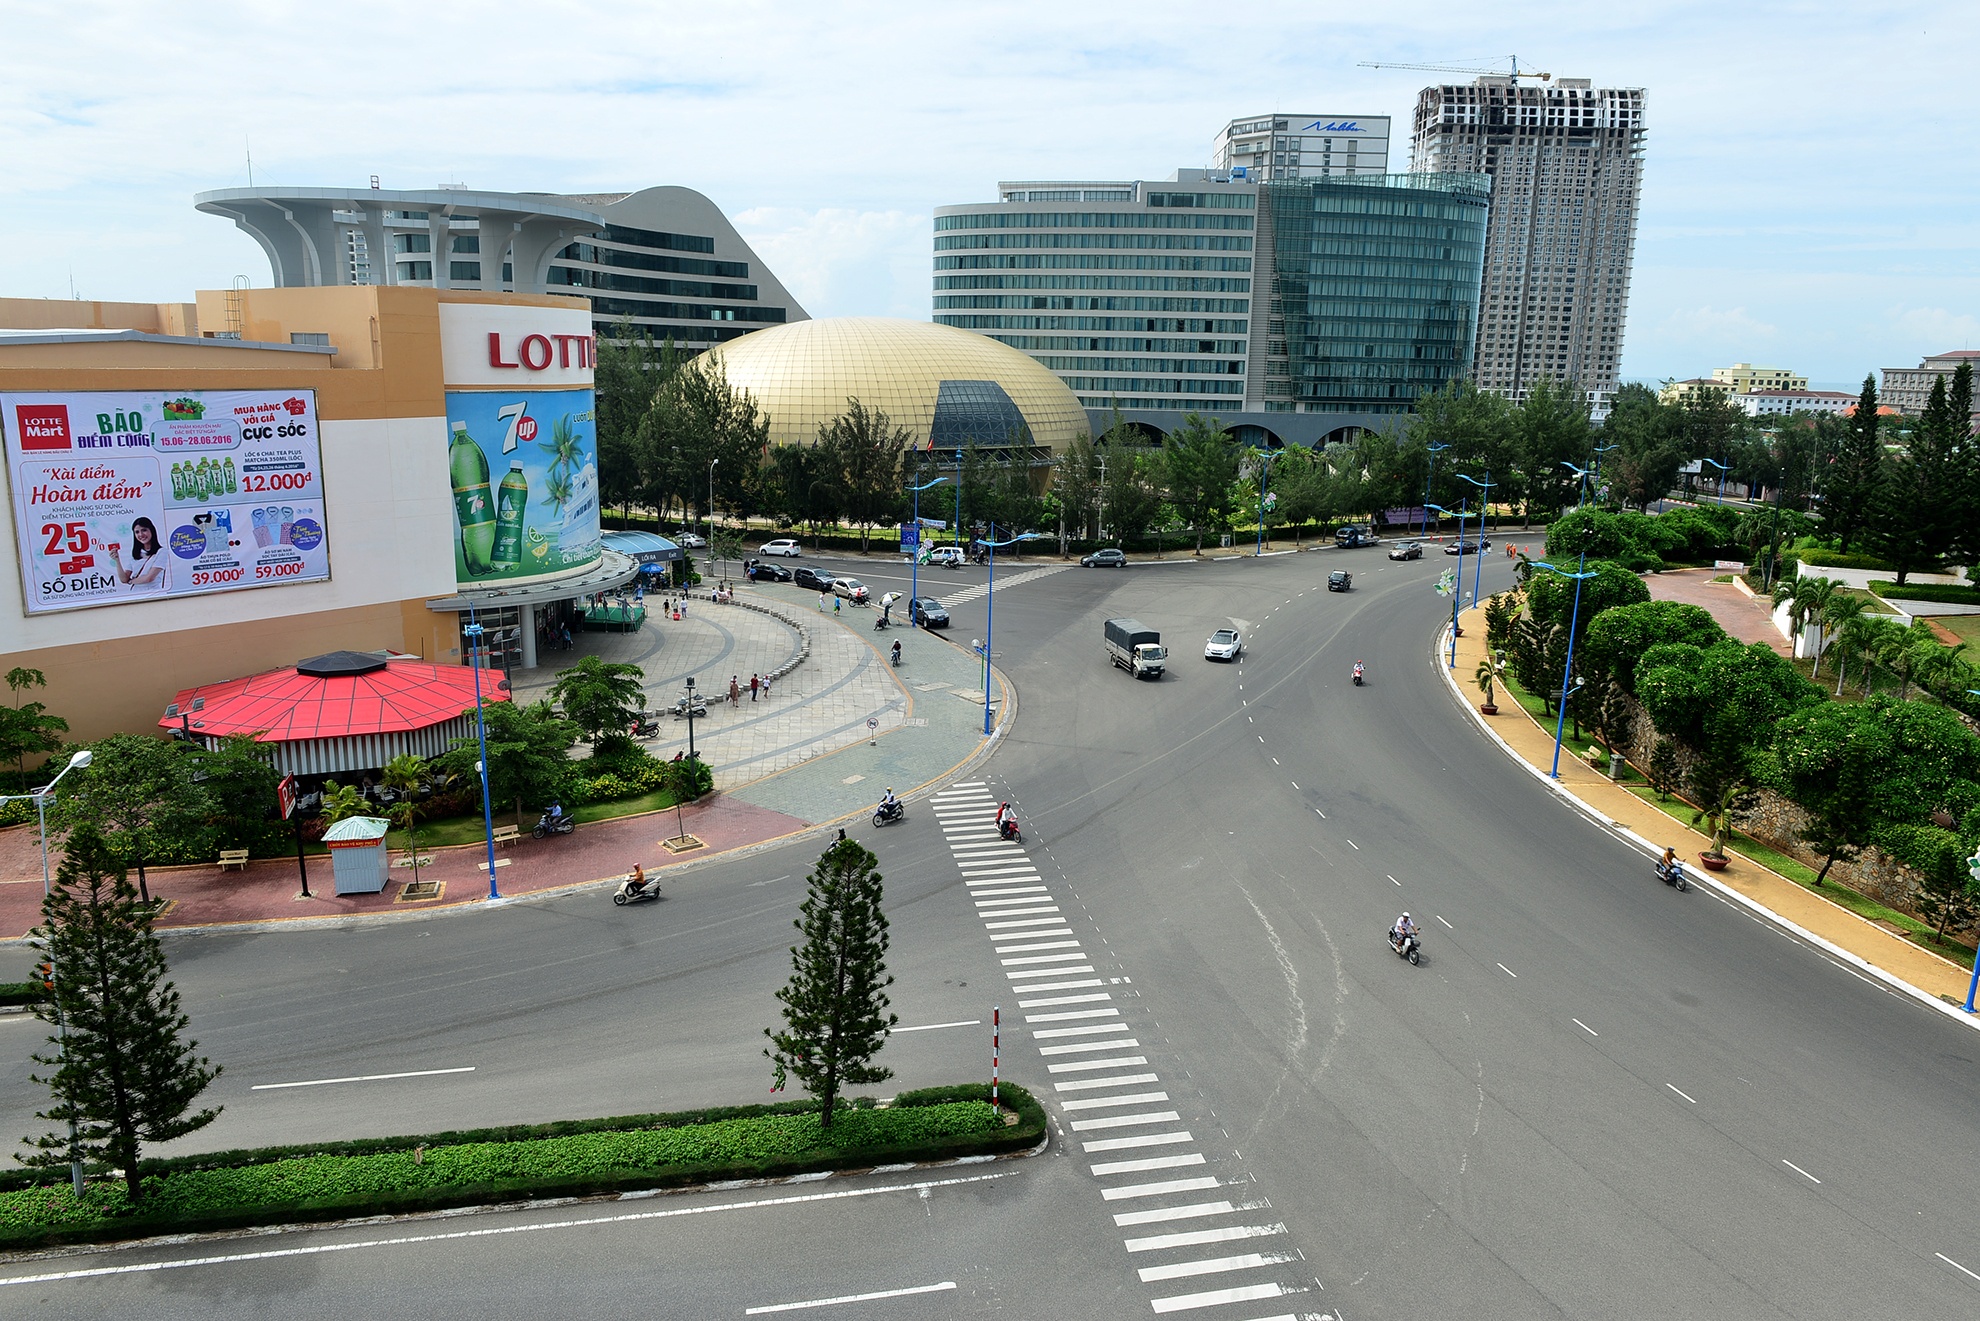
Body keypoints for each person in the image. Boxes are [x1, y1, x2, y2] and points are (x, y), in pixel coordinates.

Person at [110, 516, 168, 593]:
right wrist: (117, 560)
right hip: (135, 595)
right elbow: (124, 579)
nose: (141, 534)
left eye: (144, 530)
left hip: (153, 595)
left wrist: (131, 581)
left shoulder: (162, 552)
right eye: (137, 532)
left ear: (151, 530)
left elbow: (149, 578)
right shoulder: (136, 554)